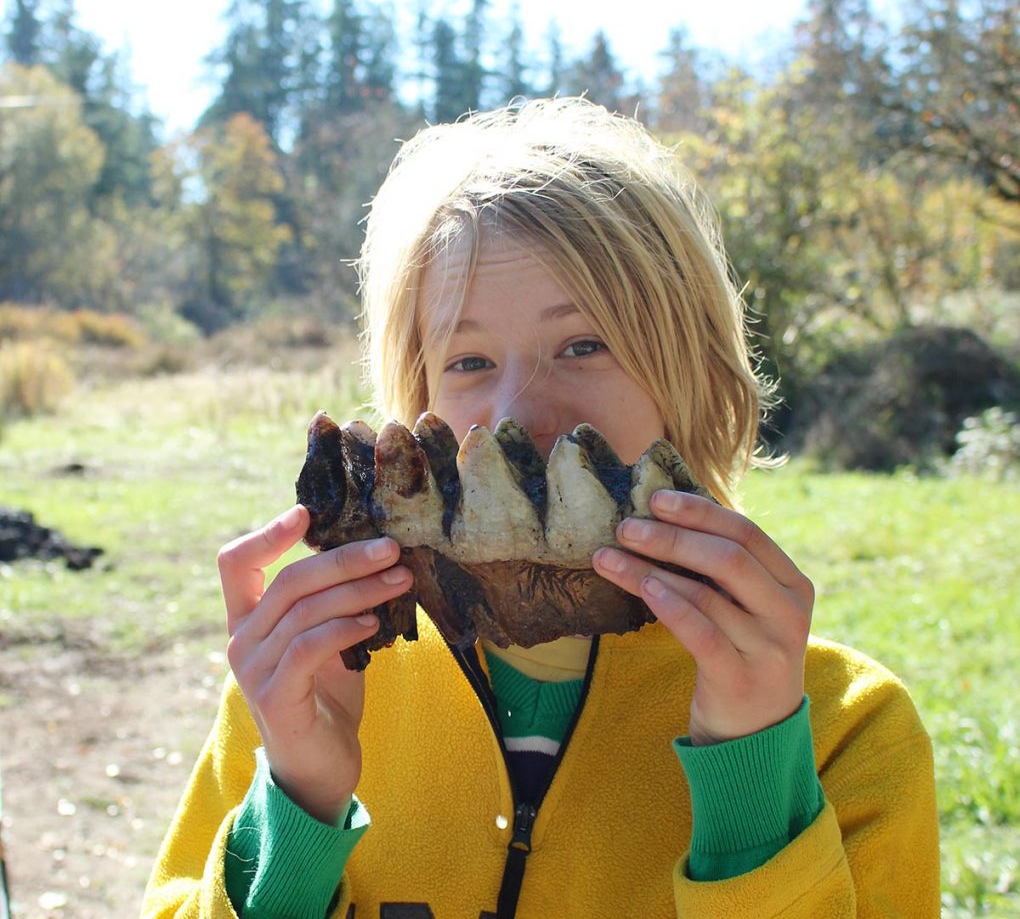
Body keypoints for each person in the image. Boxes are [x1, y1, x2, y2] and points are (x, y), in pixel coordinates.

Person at [142, 98, 939, 919]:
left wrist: (752, 781)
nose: (518, 413)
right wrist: (300, 804)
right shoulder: (304, 687)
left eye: (583, 345)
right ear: (415, 405)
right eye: (470, 360)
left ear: (690, 377)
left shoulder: (845, 731)